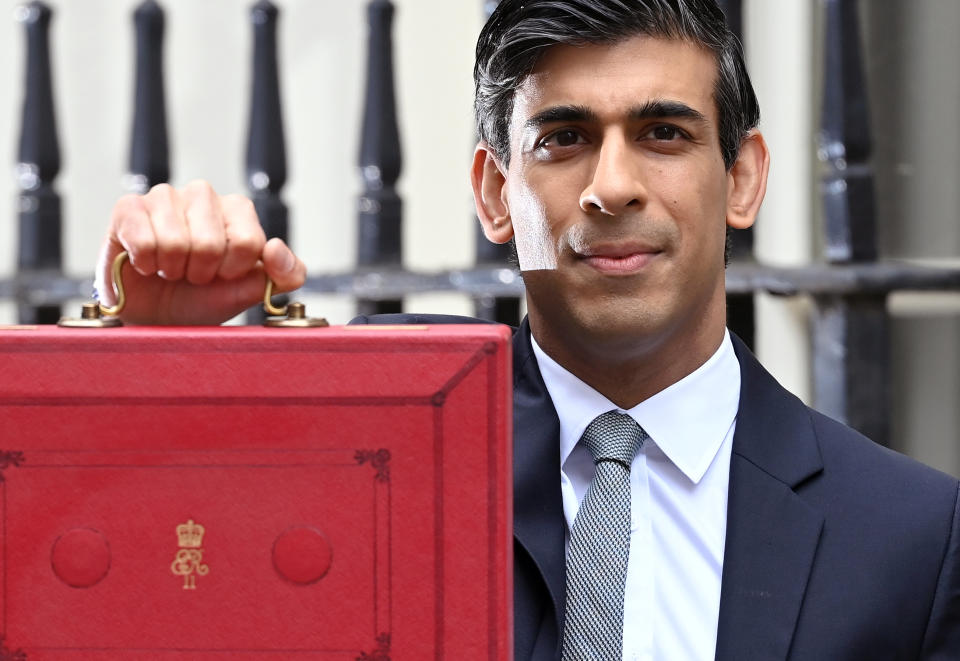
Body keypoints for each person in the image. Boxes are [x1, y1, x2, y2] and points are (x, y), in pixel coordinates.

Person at [97, 0, 959, 659]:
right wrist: (137, 368)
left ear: (741, 178)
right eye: (564, 138)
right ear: (492, 192)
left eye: (663, 133)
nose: (612, 186)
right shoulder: (363, 449)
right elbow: (104, 601)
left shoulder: (909, 535)